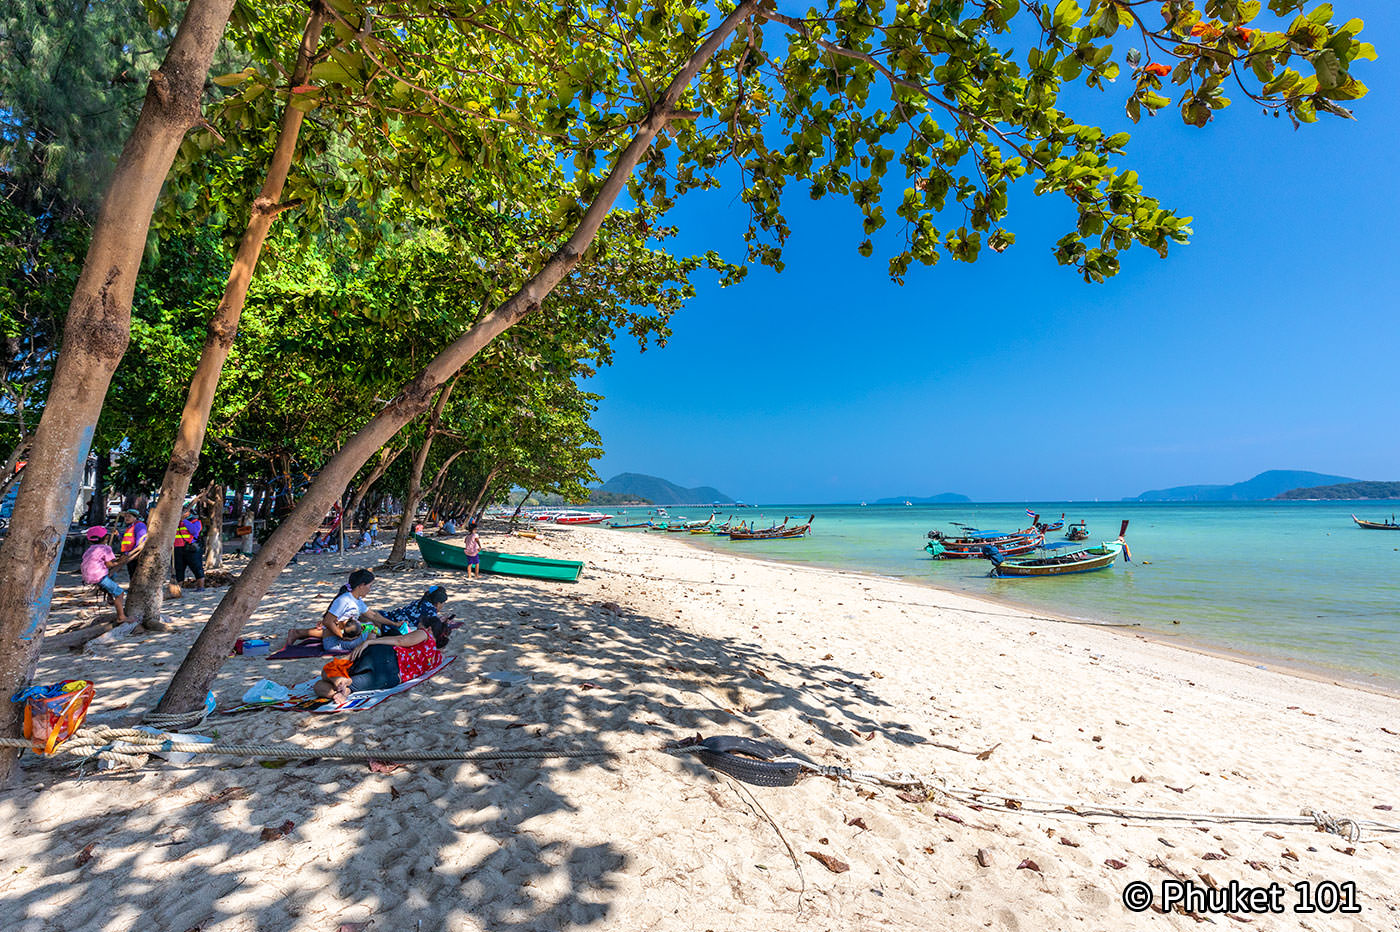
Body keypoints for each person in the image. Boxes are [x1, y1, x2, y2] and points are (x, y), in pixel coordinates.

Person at [313, 626, 443, 705]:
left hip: (385, 656)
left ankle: (339, 681)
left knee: (326, 672)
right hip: (391, 678)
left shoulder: (425, 634)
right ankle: (342, 691)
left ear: (429, 629)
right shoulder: (437, 658)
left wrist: (370, 642)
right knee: (344, 687)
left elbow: (401, 640)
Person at [281, 568, 391, 651]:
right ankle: (297, 633)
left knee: (371, 627)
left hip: (339, 634)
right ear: (362, 585)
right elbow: (328, 622)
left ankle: (297, 633)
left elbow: (373, 615)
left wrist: (394, 624)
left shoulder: (356, 600)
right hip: (334, 641)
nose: (370, 589)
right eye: (370, 586)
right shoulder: (345, 600)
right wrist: (342, 636)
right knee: (373, 635)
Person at [377, 585, 454, 645]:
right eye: (443, 603)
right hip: (395, 627)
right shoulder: (431, 612)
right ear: (438, 603)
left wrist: (438, 619)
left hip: (387, 616)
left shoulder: (420, 602)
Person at [80, 526, 127, 622]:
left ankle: (110, 596)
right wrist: (119, 562)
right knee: (120, 593)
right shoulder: (106, 548)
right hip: (98, 576)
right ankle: (121, 617)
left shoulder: (89, 549)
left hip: (87, 576)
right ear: (106, 538)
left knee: (113, 575)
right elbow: (109, 564)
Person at [172, 500, 205, 591]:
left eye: (184, 511)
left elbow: (194, 531)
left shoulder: (195, 521)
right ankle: (178, 588)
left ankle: (201, 587)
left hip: (191, 548)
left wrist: (184, 521)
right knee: (179, 568)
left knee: (196, 567)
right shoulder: (175, 523)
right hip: (178, 548)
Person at [117, 508, 147, 582]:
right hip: (128, 553)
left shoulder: (139, 525)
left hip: (134, 554)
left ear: (135, 517)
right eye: (125, 516)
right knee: (131, 572)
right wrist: (118, 534)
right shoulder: (130, 527)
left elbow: (140, 541)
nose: (126, 518)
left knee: (134, 573)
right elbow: (127, 537)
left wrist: (133, 553)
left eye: (129, 516)